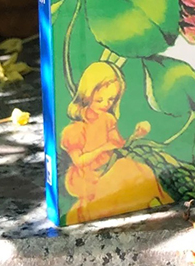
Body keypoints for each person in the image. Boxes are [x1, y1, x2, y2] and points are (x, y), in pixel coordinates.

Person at [60, 61, 172, 222]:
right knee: (124, 172)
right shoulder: (75, 129)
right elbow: (79, 161)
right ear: (87, 95)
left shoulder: (108, 119)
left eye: (111, 100)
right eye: (100, 100)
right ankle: (149, 200)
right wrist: (102, 148)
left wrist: (135, 135)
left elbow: (118, 145)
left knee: (139, 169)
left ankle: (157, 200)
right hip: (87, 176)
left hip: (110, 165)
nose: (106, 104)